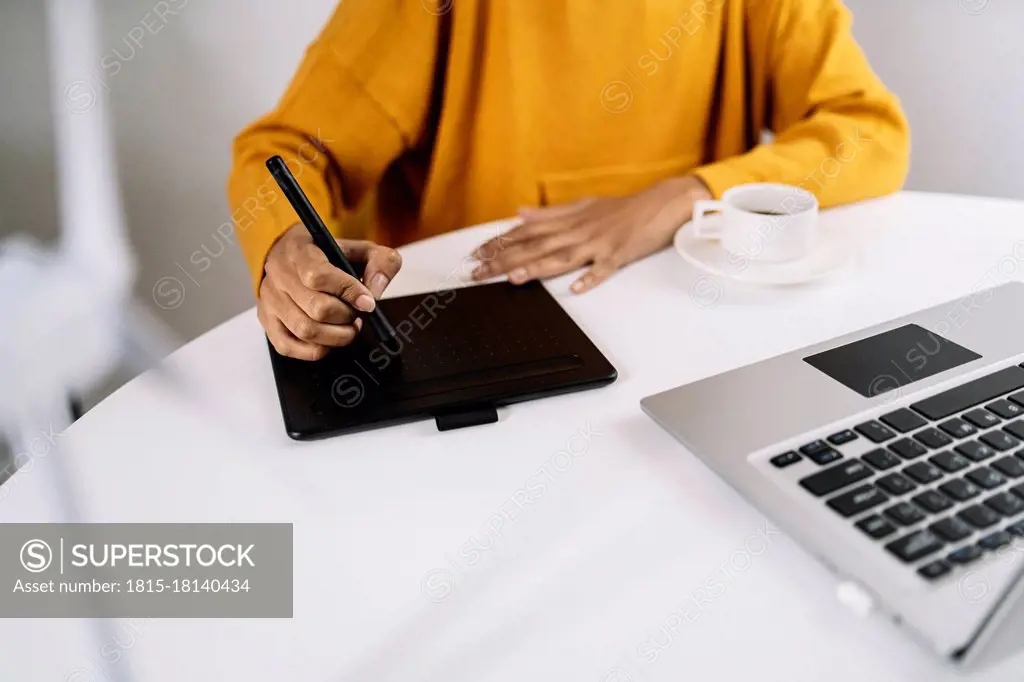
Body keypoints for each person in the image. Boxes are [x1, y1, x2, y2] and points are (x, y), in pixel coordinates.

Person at [228, 0, 909, 360]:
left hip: (698, 338)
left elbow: (869, 130)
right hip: (471, 346)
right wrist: (284, 247)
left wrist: (684, 194)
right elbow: (290, 153)